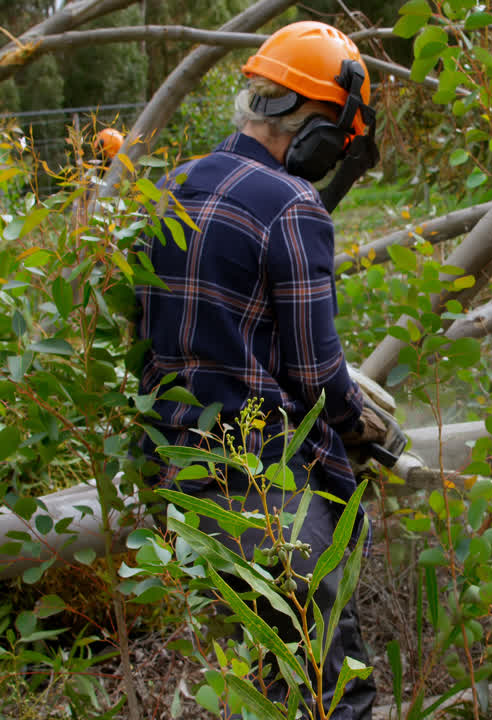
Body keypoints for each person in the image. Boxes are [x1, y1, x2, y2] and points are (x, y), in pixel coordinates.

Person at [134, 20, 391, 719]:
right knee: (333, 693)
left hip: (178, 481)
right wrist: (356, 424)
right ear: (311, 126)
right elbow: (315, 372)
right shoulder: (292, 204)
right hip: (266, 492)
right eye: (336, 137)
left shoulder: (168, 187)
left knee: (256, 687)